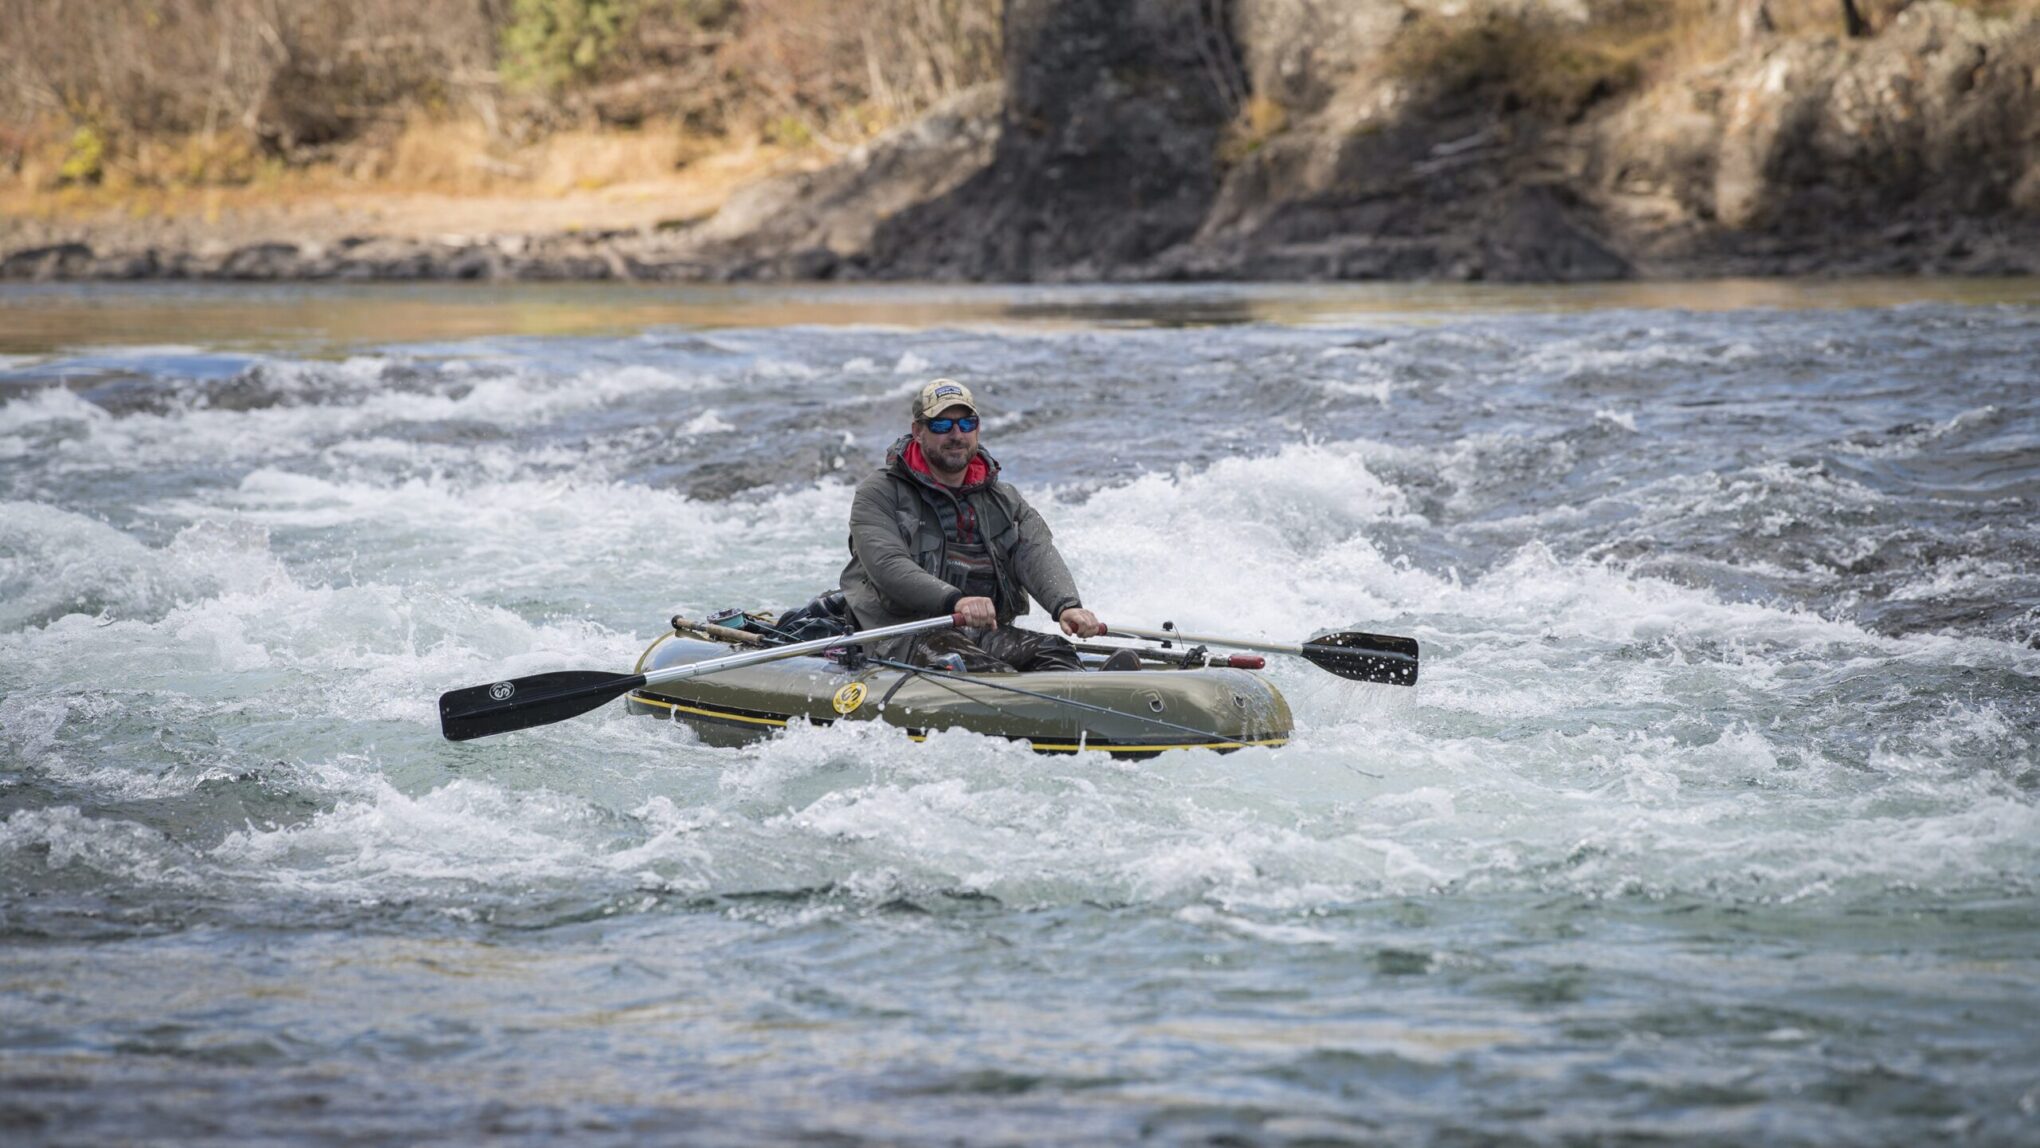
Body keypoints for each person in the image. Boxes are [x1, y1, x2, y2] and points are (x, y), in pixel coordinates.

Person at [837, 378, 1129, 673]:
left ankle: (1093, 693)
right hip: (900, 635)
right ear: (918, 432)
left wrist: (1067, 605)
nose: (956, 435)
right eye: (941, 425)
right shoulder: (879, 493)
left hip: (979, 632)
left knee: (1056, 651)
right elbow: (887, 564)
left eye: (967, 424)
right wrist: (956, 601)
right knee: (973, 666)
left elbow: (1036, 552)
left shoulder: (1004, 498)